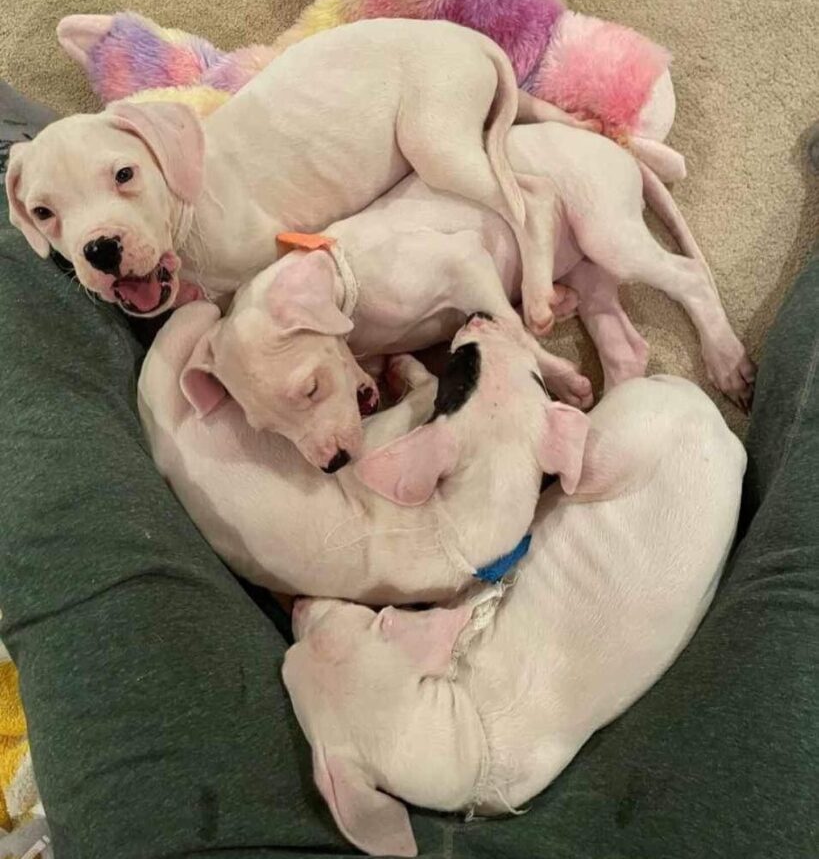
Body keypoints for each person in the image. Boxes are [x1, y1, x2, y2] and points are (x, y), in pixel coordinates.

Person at [0, 87, 816, 858]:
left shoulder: (444, 625)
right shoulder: (455, 622)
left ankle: (17, 147)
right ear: (429, 626)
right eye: (367, 619)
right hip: (650, 445)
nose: (331, 612)